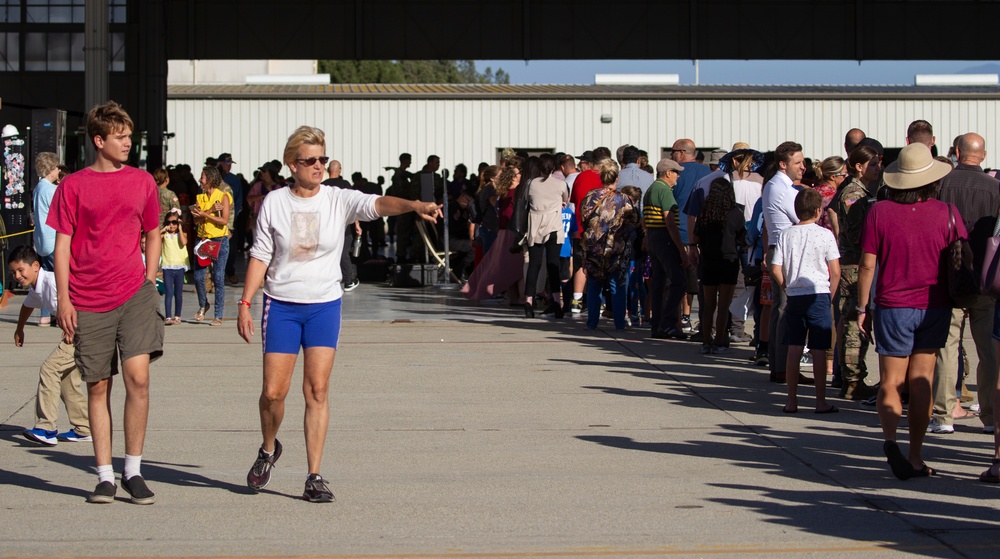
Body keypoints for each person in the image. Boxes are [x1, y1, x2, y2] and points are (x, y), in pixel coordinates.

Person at [237, 126, 441, 502]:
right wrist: (245, 303)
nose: (318, 166)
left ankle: (314, 475)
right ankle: (268, 449)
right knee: (273, 393)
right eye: (310, 160)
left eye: (322, 159)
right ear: (292, 164)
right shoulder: (275, 203)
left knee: (317, 389)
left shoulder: (338, 199)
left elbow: (378, 204)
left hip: (324, 306)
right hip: (281, 305)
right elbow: (260, 255)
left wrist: (414, 205)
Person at [47, 100, 164, 504]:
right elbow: (62, 246)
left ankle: (133, 470)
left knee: (139, 378)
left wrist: (149, 279)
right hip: (87, 298)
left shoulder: (142, 181)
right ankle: (104, 476)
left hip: (134, 293)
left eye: (130, 136)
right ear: (99, 140)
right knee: (98, 385)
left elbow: (153, 231)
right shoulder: (73, 186)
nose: (128, 143)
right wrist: (64, 300)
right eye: (120, 137)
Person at [856, 143, 960, 480]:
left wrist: (862, 306)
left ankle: (890, 441)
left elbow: (867, 265)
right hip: (934, 304)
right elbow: (963, 257)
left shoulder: (880, 212)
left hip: (892, 305)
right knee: (922, 381)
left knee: (891, 380)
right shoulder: (948, 213)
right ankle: (915, 456)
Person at [931, 132, 1000, 435]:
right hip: (986, 277)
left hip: (949, 275)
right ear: (983, 156)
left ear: (957, 152)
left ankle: (944, 415)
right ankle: (991, 416)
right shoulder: (996, 188)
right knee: (989, 350)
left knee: (947, 346)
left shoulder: (940, 184)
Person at [10, 246, 91, 446]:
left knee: (50, 369)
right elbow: (27, 306)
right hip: (78, 331)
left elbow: (80, 297)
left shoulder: (53, 281)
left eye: (21, 270)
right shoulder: (36, 287)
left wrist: (74, 325)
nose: (17, 276)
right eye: (13, 272)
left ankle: (46, 428)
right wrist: (19, 329)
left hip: (84, 331)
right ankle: (84, 428)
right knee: (67, 380)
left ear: (35, 266)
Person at [770, 189, 841, 413]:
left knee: (794, 347)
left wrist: (787, 286)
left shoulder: (786, 234)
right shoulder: (825, 235)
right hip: (819, 292)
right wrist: (830, 295)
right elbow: (835, 271)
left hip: (795, 294)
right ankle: (820, 401)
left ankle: (791, 400)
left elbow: (775, 267)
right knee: (819, 348)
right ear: (819, 211)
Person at [829, 146, 880, 400]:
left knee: (858, 324)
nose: (878, 169)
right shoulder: (853, 193)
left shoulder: (863, 192)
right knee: (853, 324)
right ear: (859, 167)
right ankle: (852, 381)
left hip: (859, 263)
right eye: (873, 164)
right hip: (854, 265)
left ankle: (854, 377)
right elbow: (854, 233)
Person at [762, 141, 806, 384]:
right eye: (797, 162)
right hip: (787, 251)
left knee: (780, 307)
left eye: (803, 162)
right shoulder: (783, 189)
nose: (802, 167)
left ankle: (780, 365)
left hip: (779, 248)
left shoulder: (775, 185)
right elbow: (803, 217)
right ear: (783, 164)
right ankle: (783, 367)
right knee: (786, 310)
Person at [580, 159, 639, 330]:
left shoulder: (590, 196)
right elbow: (634, 221)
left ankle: (592, 322)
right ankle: (619, 323)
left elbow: (583, 218)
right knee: (617, 286)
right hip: (615, 248)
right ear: (617, 178)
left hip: (593, 246)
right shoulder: (624, 199)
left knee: (594, 285)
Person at [692, 178, 746, 354]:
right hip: (729, 261)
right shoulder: (736, 213)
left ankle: (706, 341)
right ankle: (719, 341)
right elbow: (742, 238)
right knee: (724, 306)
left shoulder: (705, 212)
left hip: (708, 260)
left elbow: (696, 237)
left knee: (709, 305)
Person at [645, 158, 690, 339]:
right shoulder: (664, 190)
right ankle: (668, 323)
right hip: (665, 238)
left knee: (658, 283)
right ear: (668, 173)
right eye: (676, 172)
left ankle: (657, 325)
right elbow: (669, 221)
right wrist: (681, 250)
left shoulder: (652, 189)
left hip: (653, 237)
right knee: (679, 281)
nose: (678, 176)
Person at [522, 153, 569, 318]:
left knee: (534, 265)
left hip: (535, 227)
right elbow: (566, 199)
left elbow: (527, 200)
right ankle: (556, 302)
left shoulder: (530, 183)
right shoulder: (560, 184)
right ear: (554, 167)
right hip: (553, 226)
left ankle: (528, 301)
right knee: (553, 266)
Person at [191, 165, 232, 325]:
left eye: (202, 177)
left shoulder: (223, 196)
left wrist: (205, 214)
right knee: (198, 276)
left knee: (218, 277)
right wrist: (209, 211)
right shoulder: (200, 197)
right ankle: (203, 304)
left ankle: (218, 315)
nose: (200, 180)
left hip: (219, 240)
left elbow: (224, 220)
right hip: (203, 240)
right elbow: (196, 220)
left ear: (210, 179)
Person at [32, 152, 60, 325]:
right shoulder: (52, 190)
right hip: (54, 239)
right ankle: (58, 312)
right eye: (56, 167)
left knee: (46, 278)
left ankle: (45, 314)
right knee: (60, 277)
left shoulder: (38, 189)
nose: (58, 171)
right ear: (50, 169)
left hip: (41, 241)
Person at [160, 208, 189, 325]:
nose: (171, 225)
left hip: (179, 267)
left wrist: (180, 228)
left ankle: (177, 315)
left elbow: (184, 242)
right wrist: (163, 229)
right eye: (169, 223)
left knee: (178, 293)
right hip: (167, 267)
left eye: (174, 222)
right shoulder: (165, 235)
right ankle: (168, 316)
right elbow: (154, 238)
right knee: (168, 292)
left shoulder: (181, 234)